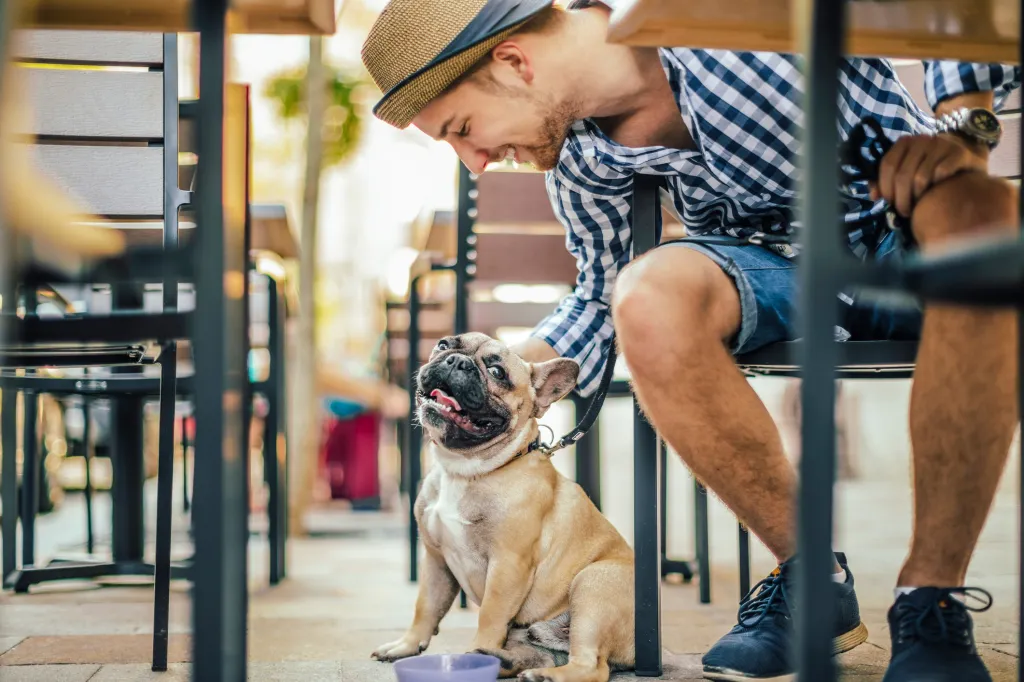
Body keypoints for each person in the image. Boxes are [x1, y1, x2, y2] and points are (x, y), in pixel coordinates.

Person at [360, 1, 1021, 680]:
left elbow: (957, 10)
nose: (474, 164)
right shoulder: (581, 157)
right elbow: (597, 294)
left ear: (514, 61)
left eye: (462, 129)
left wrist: (962, 126)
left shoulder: (714, 18)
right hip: (776, 277)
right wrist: (502, 382)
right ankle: (812, 580)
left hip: (906, 230)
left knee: (982, 214)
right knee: (643, 296)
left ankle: (930, 597)